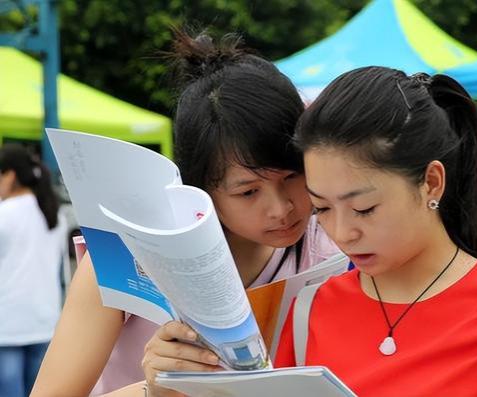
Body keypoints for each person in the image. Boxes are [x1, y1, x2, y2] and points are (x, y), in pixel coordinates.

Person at [31, 30, 340, 397]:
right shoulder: (125, 253)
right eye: (248, 191)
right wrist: (152, 390)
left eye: (292, 176)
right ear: (202, 189)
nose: (281, 208)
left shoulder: (334, 242)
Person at [274, 67, 477, 396]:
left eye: (364, 209)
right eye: (322, 208)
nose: (342, 233)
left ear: (431, 183)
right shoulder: (309, 310)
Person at [0, 144, 66, 397]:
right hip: (45, 318)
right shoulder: (53, 214)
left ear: (10, 175)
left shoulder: (4, 214)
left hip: (7, 323)